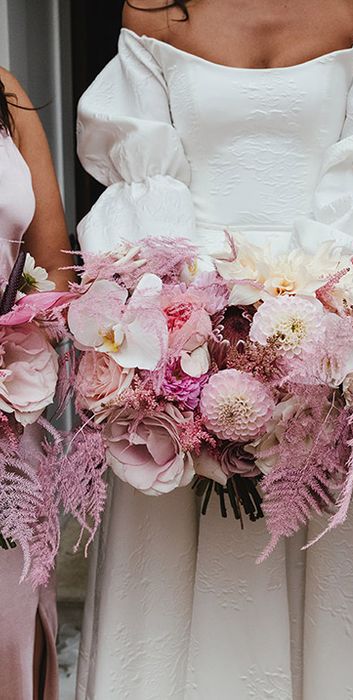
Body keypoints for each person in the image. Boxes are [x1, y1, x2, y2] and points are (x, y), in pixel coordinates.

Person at [74, 1, 353, 698]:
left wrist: (310, 327)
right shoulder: (154, 8)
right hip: (180, 342)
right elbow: (141, 180)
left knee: (332, 566)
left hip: (329, 347)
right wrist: (183, 330)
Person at [0, 68, 75, 700]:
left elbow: (54, 265)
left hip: (5, 404)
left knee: (8, 624)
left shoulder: (5, 93)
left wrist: (27, 335)